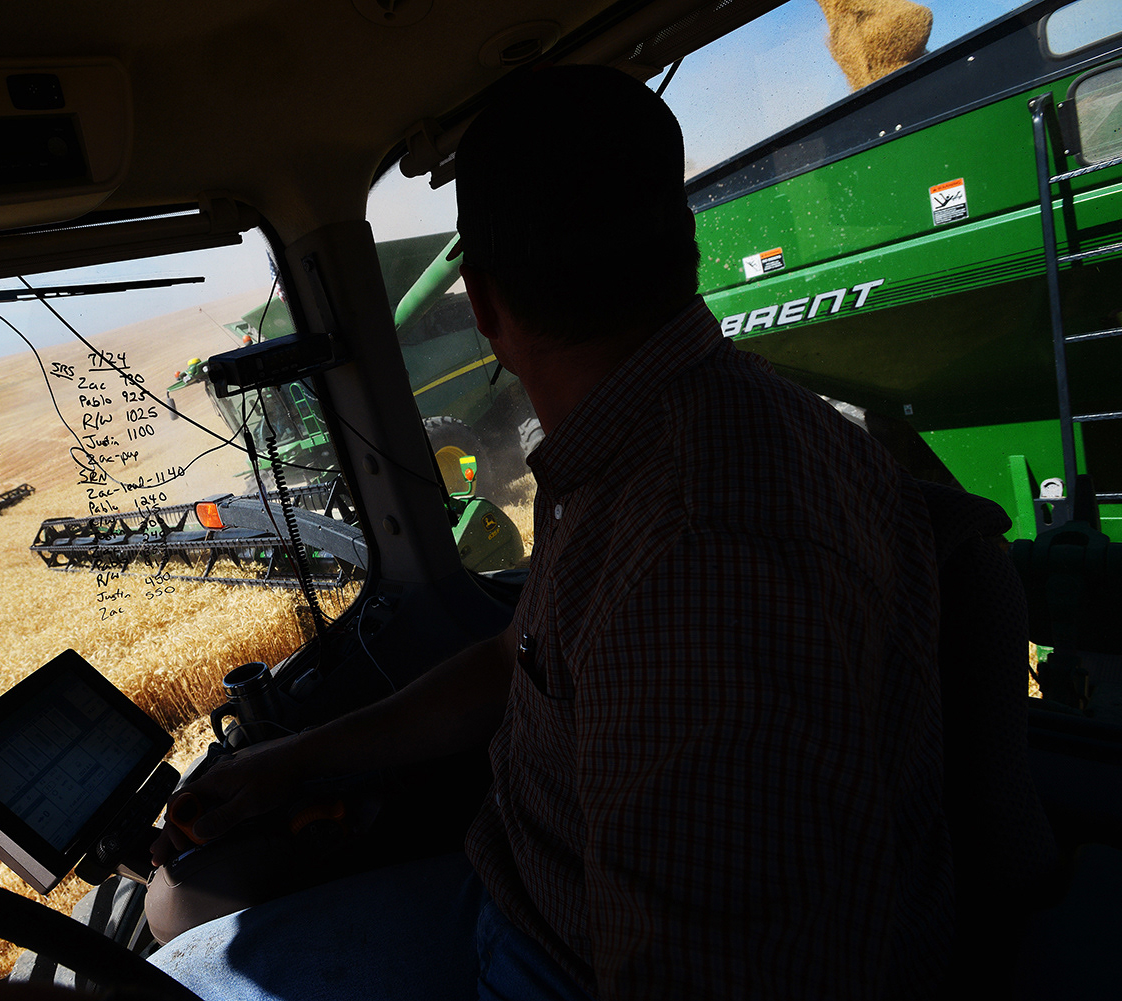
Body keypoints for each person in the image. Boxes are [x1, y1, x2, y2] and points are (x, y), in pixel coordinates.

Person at [149, 65, 953, 999]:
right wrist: (294, 759)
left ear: (484, 306)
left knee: (172, 978)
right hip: (530, 894)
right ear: (683, 242)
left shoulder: (702, 553)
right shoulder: (654, 443)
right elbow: (514, 658)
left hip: (556, 962)